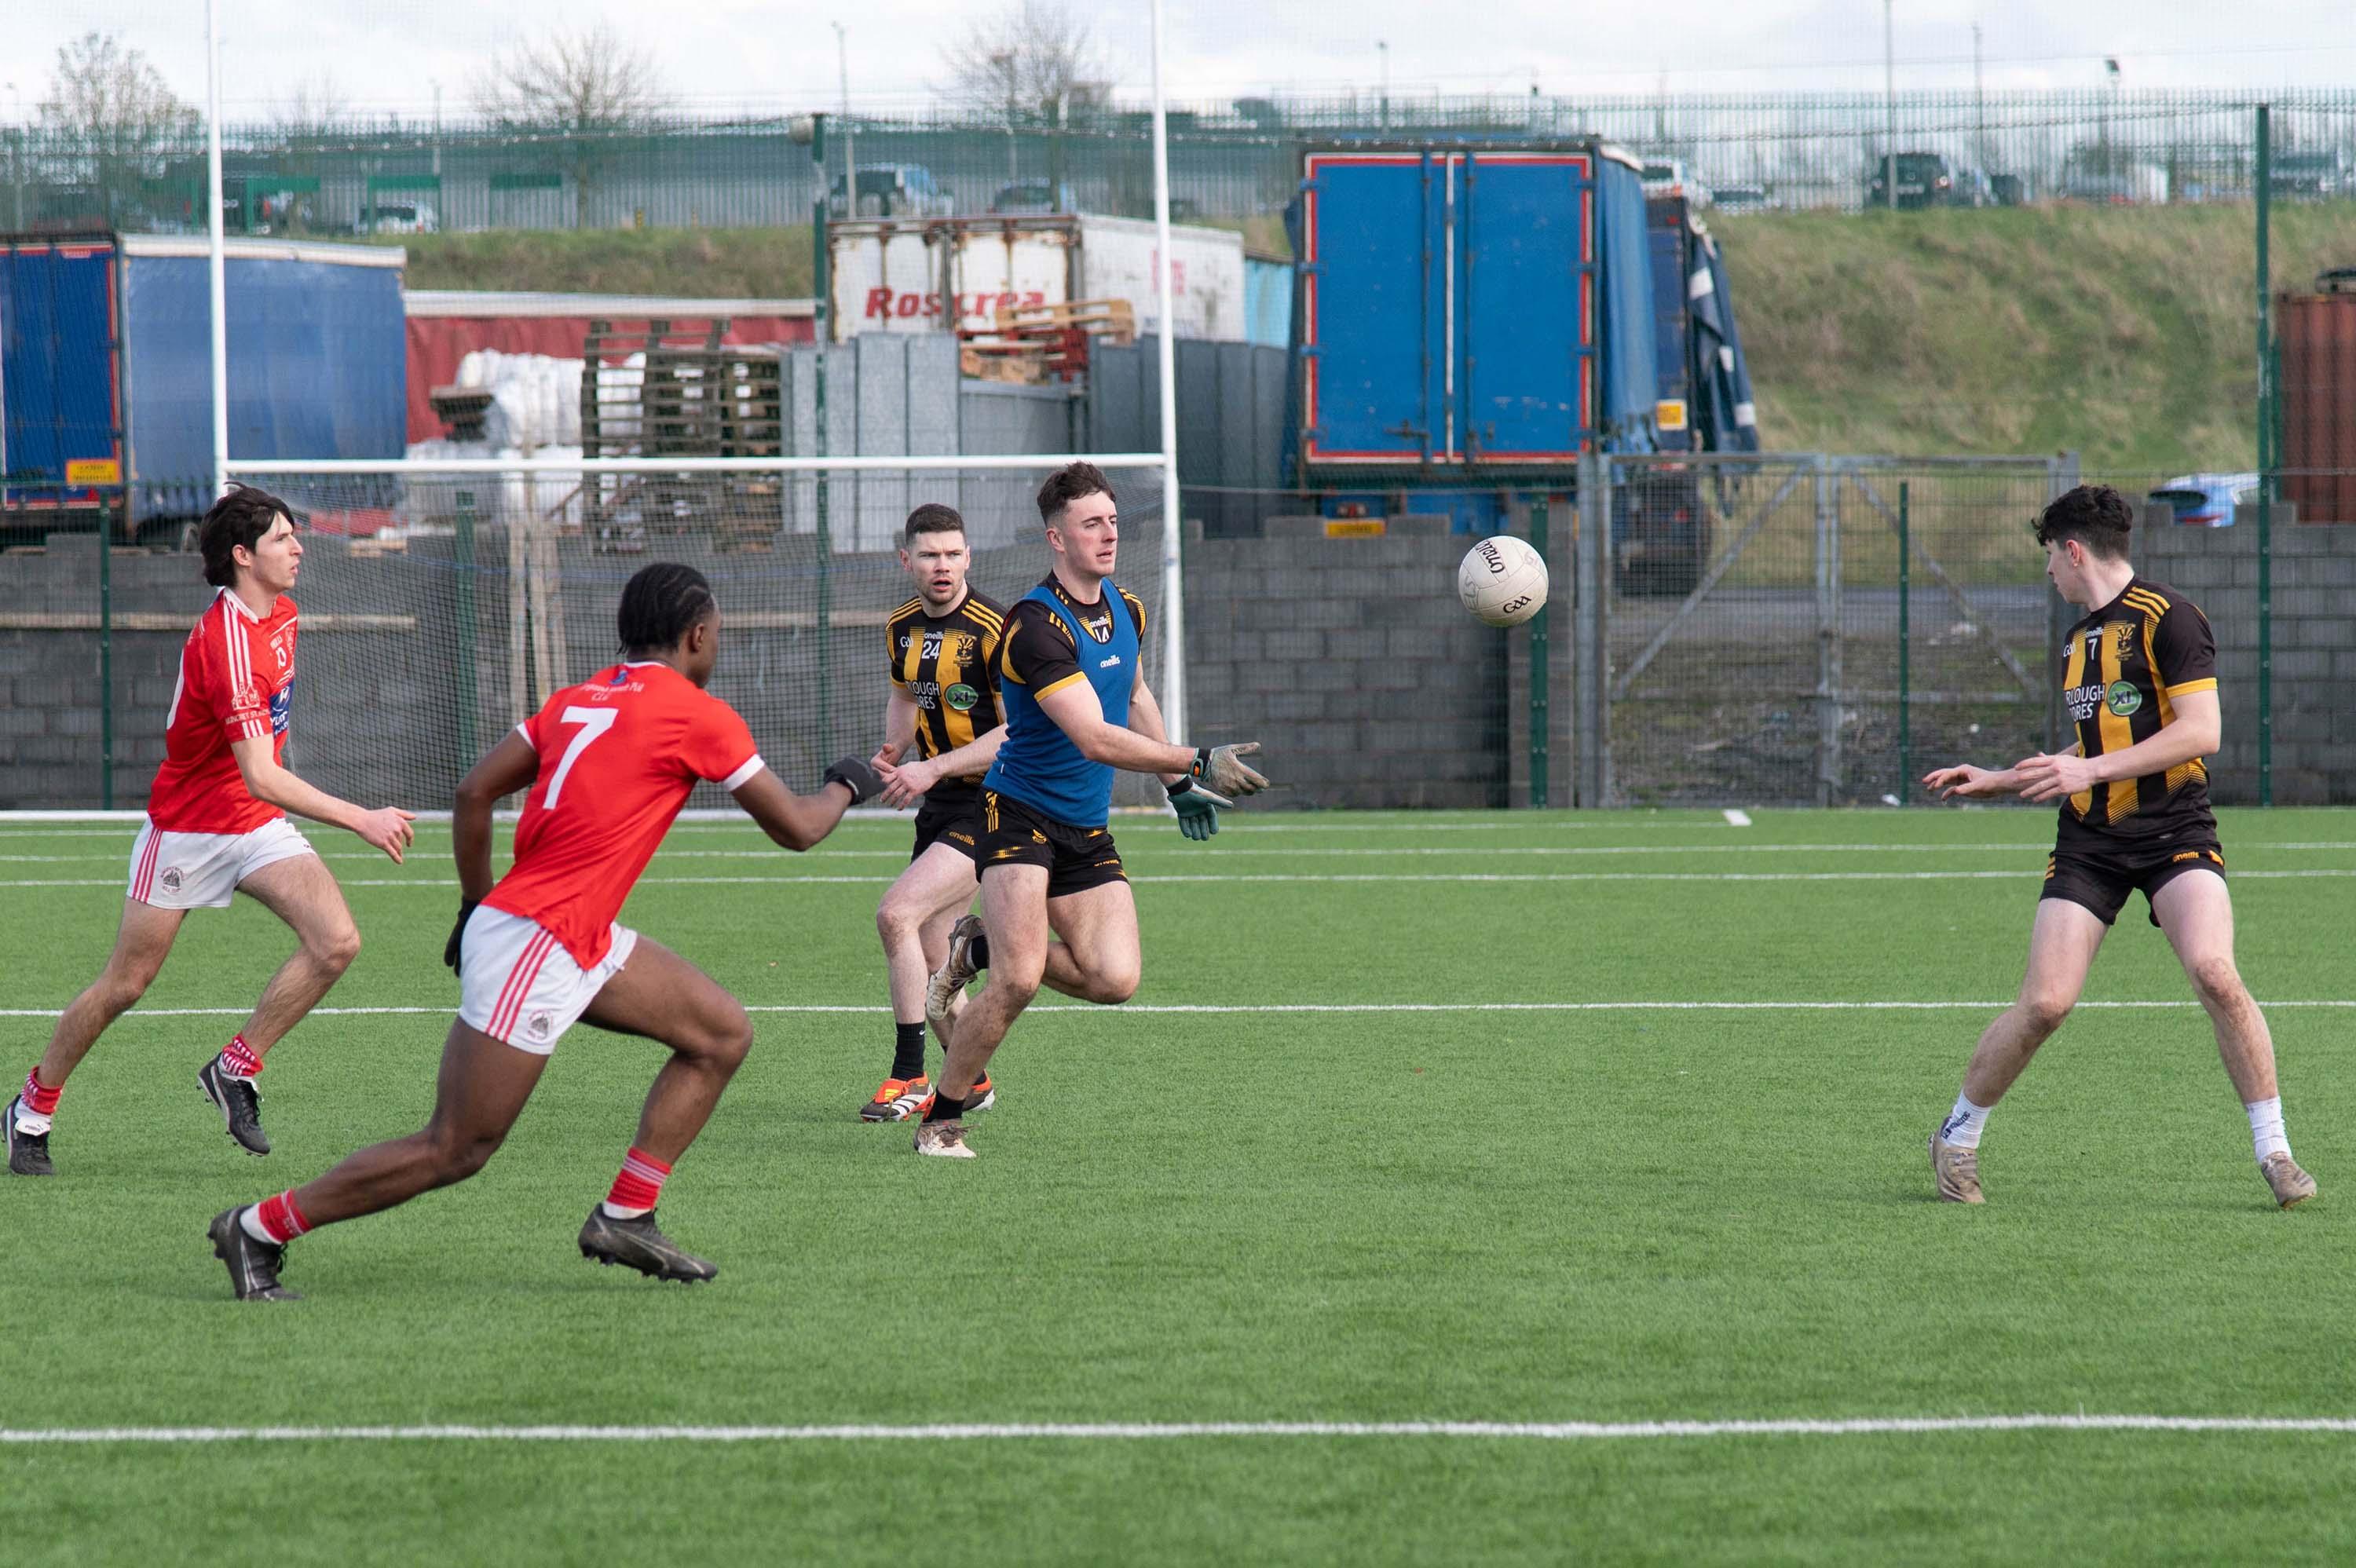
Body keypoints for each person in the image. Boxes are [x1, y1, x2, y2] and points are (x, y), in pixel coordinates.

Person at [209, 563, 884, 1299]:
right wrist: (848, 781)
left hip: (567, 932)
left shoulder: (575, 698)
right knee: (456, 1146)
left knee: (721, 1033)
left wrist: (474, 905)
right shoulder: (698, 714)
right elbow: (798, 828)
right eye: (716, 632)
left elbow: (474, 791)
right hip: (538, 938)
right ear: (697, 635)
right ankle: (258, 1227)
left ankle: (626, 1214)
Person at [1922, 484, 2315, 1209]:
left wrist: (2091, 770)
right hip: (2091, 842)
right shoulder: (2078, 642)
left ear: (2074, 551)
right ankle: (1957, 1136)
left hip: (2175, 831)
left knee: (2216, 973)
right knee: (2045, 1003)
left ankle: (2277, 1152)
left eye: (2049, 555)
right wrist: (2001, 778)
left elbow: (2201, 731)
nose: (2048, 571)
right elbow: (2097, 748)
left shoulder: (2171, 617)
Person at [6, 486, 415, 1179]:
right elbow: (262, 773)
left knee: (336, 940)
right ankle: (31, 1109)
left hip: (253, 823)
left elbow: (260, 771)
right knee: (126, 984)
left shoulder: (284, 614)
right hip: (187, 829)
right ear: (243, 556)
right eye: (283, 538)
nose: (299, 548)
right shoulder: (226, 642)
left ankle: (235, 1068)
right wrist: (360, 817)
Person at [892, 462, 1269, 1159]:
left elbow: (1135, 696)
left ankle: (973, 946)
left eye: (1113, 521)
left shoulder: (1127, 608)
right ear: (1056, 538)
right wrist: (1194, 760)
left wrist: (1176, 784)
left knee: (1115, 978)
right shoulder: (1034, 626)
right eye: (1091, 523)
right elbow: (1092, 735)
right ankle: (940, 1121)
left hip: (1085, 825)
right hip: (1018, 815)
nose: (1108, 533)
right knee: (1017, 982)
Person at [860, 504, 1008, 1123]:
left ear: (968, 557)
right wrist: (897, 749)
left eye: (952, 553)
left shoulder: (996, 629)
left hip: (994, 800)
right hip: (940, 803)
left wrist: (934, 766)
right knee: (930, 950)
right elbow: (904, 692)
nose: (942, 565)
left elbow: (1016, 732)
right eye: (929, 554)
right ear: (907, 560)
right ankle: (969, 1079)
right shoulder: (901, 627)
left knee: (896, 914)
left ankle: (910, 1075)